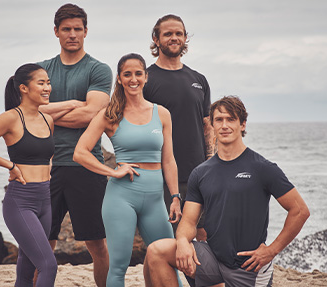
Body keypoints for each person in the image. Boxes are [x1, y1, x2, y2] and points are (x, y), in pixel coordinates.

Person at [144, 96, 310, 287]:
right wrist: (182, 241)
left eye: (231, 119)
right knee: (156, 251)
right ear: (212, 125)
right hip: (212, 260)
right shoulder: (201, 173)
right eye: (219, 120)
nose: (224, 125)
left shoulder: (262, 168)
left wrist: (272, 250)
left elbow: (299, 210)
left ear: (243, 125)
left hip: (248, 268)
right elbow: (189, 221)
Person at [73, 53, 183, 287]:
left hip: (155, 199)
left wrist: (175, 196)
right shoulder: (110, 114)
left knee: (168, 259)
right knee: (119, 266)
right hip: (121, 198)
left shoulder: (161, 113)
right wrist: (111, 171)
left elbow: (169, 160)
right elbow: (80, 152)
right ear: (120, 79)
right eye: (127, 74)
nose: (133, 79)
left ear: (146, 77)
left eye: (138, 74)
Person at [0, 63, 78, 286]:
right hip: (21, 201)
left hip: (45, 200)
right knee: (48, 265)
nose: (47, 87)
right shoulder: (10, 118)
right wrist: (10, 166)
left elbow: (47, 156)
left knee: (26, 269)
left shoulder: (48, 120)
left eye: (48, 83)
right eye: (41, 83)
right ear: (24, 88)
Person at [36, 4, 112, 286]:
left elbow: (92, 114)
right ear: (56, 32)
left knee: (97, 244)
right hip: (46, 168)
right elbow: (29, 111)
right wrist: (71, 106)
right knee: (43, 243)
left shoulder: (98, 69)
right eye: (66, 29)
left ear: (86, 32)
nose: (72, 34)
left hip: (87, 166)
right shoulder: (41, 70)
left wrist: (49, 112)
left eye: (77, 29)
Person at [143, 14, 215, 240]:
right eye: (168, 34)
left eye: (179, 34)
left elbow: (207, 126)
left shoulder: (198, 79)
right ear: (156, 38)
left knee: (204, 234)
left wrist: (210, 164)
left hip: (198, 174)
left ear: (185, 38)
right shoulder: (145, 79)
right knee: (165, 240)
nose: (174, 38)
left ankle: (204, 277)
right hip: (161, 177)